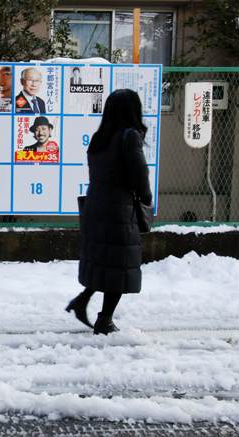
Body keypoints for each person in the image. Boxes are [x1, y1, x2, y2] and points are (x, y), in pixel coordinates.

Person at [66, 89, 152, 335]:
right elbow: (140, 173)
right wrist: (145, 198)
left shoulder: (99, 137)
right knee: (119, 265)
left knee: (105, 261)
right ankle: (104, 320)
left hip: (96, 205)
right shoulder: (129, 137)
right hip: (118, 209)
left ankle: (82, 302)